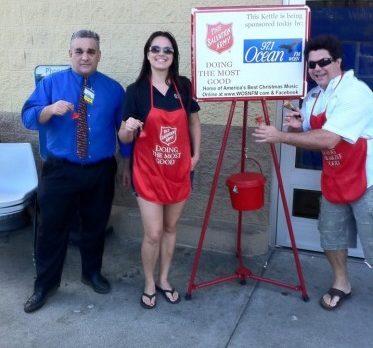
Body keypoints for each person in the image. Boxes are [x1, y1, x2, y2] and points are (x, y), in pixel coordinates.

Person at [253, 35, 373, 311]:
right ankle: (341, 283)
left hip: (367, 179)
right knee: (331, 235)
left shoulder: (355, 92)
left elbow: (329, 139)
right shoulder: (315, 96)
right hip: (335, 176)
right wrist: (297, 127)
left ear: (339, 62)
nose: (317, 68)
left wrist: (280, 136)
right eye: (312, 64)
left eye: (324, 62)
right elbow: (311, 130)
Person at [22, 30, 130, 313]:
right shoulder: (51, 84)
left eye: (91, 51)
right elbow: (28, 116)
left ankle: (91, 272)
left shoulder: (113, 89)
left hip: (100, 170)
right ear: (70, 54)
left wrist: (126, 163)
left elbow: (123, 131)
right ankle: (45, 285)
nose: (85, 56)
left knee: (95, 225)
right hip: (60, 171)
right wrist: (49, 109)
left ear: (99, 55)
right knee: (51, 230)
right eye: (79, 51)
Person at [118, 31, 201, 309]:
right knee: (153, 233)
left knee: (170, 226)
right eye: (156, 48)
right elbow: (124, 136)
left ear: (173, 56)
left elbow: (193, 123)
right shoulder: (136, 91)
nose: (161, 53)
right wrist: (127, 130)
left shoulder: (184, 86)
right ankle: (149, 282)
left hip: (179, 169)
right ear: (147, 53)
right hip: (148, 172)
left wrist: (196, 155)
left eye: (167, 50)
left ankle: (165, 279)